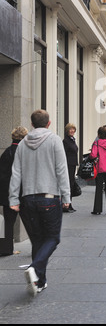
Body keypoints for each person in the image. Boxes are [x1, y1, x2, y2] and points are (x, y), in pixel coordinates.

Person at [9, 109, 70, 296]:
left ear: (32, 124)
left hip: (27, 199)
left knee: (37, 240)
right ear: (49, 123)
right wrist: (66, 197)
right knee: (52, 238)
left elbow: (16, 172)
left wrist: (13, 198)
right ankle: (35, 269)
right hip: (49, 198)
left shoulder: (22, 144)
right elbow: (62, 169)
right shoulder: (54, 140)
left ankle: (39, 281)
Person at [0, 126, 28, 256]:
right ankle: (38, 248)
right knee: (30, 221)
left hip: (7, 194)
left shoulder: (6, 152)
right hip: (21, 193)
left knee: (8, 223)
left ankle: (6, 249)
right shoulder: (23, 153)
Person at [63, 123, 78, 212]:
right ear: (67, 130)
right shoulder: (65, 141)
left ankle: (70, 204)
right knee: (68, 185)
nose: (72, 131)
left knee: (71, 184)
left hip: (72, 165)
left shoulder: (72, 140)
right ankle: (66, 205)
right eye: (70, 129)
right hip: (68, 165)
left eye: (73, 129)